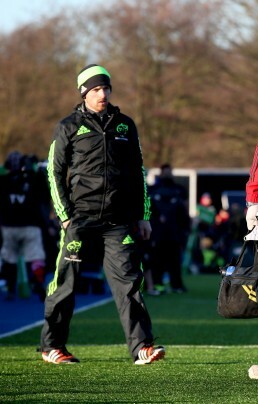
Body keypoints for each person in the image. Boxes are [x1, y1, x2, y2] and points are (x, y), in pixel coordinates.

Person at [41, 64, 165, 364]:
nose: (103, 94)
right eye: (96, 89)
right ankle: (52, 347)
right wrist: (65, 215)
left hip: (118, 222)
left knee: (129, 284)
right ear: (84, 92)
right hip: (79, 220)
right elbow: (54, 171)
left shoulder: (126, 125)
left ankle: (142, 348)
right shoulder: (68, 126)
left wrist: (143, 215)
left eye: (106, 88)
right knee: (66, 283)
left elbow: (139, 172)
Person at [0, 151, 49, 301]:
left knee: (9, 258)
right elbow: (45, 195)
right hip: (31, 225)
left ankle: (10, 287)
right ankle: (39, 283)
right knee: (35, 257)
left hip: (8, 226)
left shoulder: (3, 180)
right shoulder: (34, 179)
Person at [145, 163, 190, 295]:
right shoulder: (153, 190)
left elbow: (184, 211)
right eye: (165, 172)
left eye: (169, 171)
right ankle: (156, 283)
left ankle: (176, 285)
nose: (168, 174)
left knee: (175, 260)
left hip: (174, 232)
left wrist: (185, 227)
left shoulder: (179, 190)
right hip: (158, 232)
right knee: (156, 259)